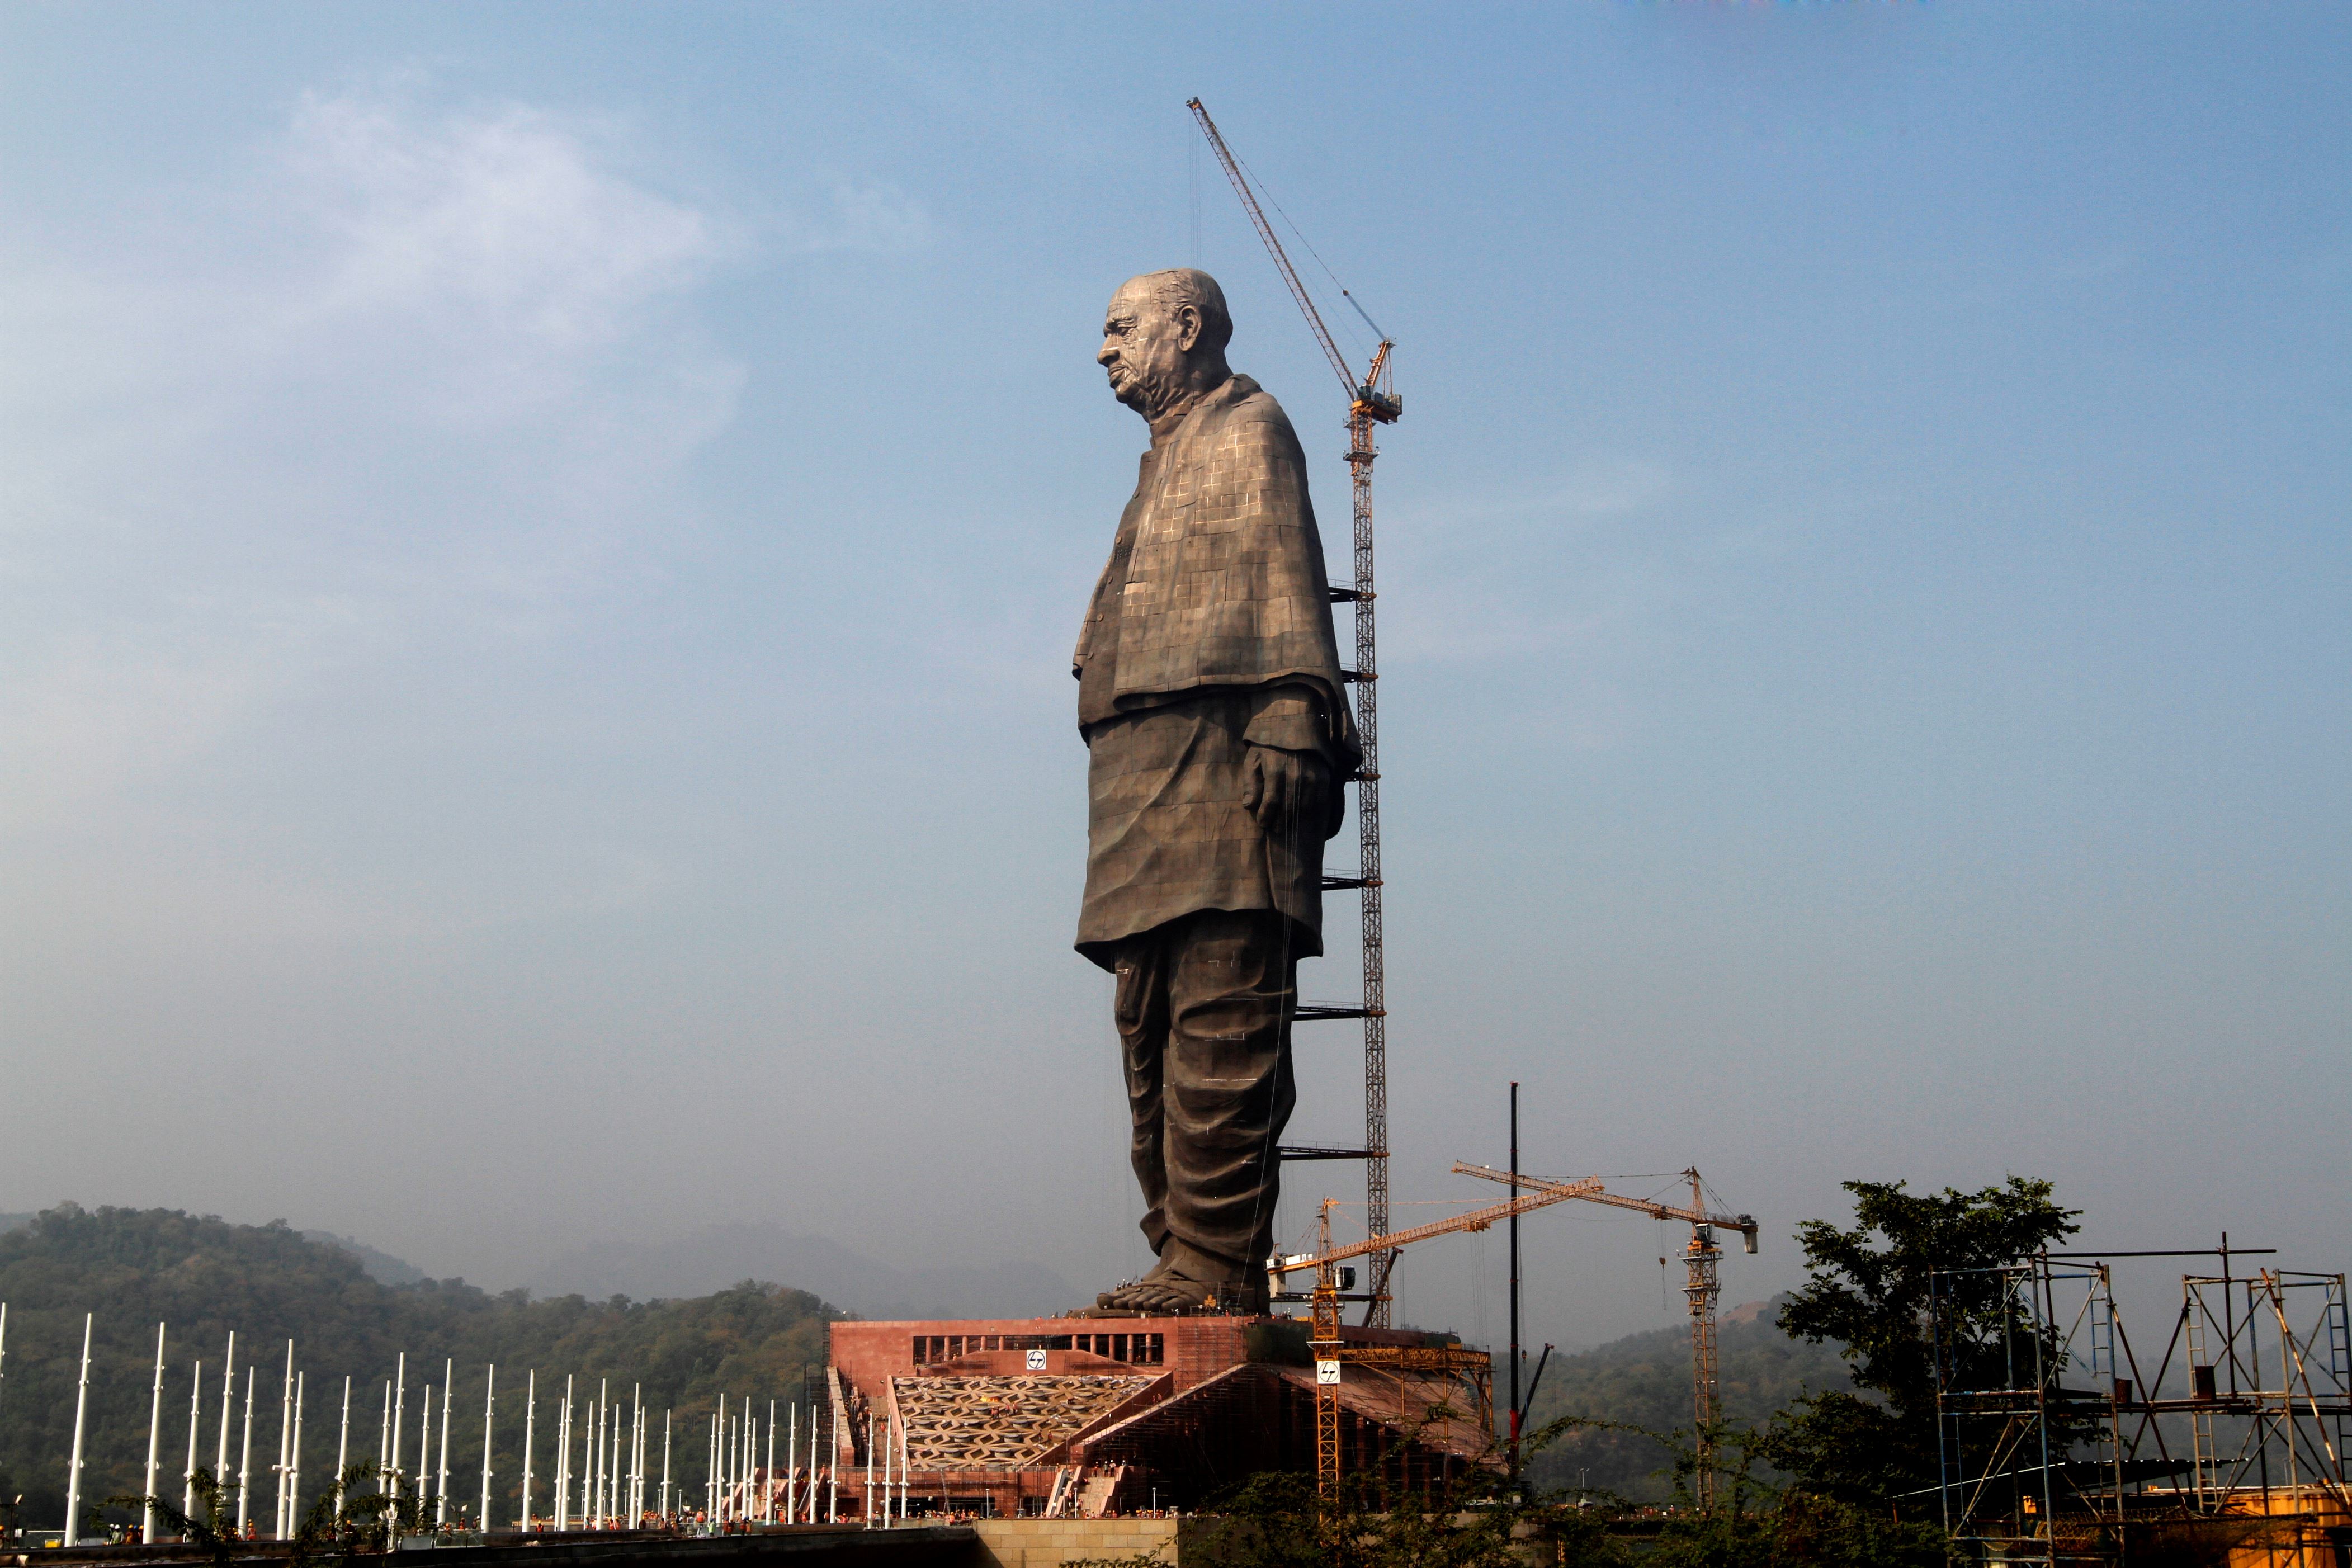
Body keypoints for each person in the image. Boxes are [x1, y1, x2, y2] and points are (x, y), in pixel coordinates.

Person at [1076, 269, 1358, 1314]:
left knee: (1224, 1011)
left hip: (1228, 751)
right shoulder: (1163, 457)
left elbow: (1286, 569)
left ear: (1184, 329)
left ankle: (1215, 1263)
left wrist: (1292, 709)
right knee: (1145, 1019)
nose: (1103, 351)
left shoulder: (1250, 428)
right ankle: (1178, 1250)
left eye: (1119, 328)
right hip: (1141, 764)